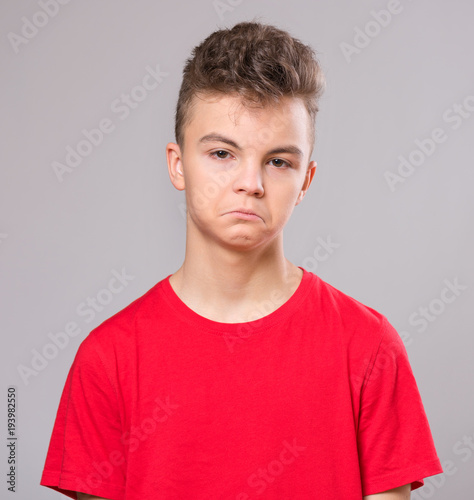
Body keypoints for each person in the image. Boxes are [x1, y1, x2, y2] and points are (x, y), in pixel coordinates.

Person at [40, 20, 443, 499]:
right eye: (222, 153)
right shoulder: (107, 360)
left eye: (278, 161)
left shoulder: (369, 348)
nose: (250, 182)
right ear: (177, 164)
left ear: (306, 180)